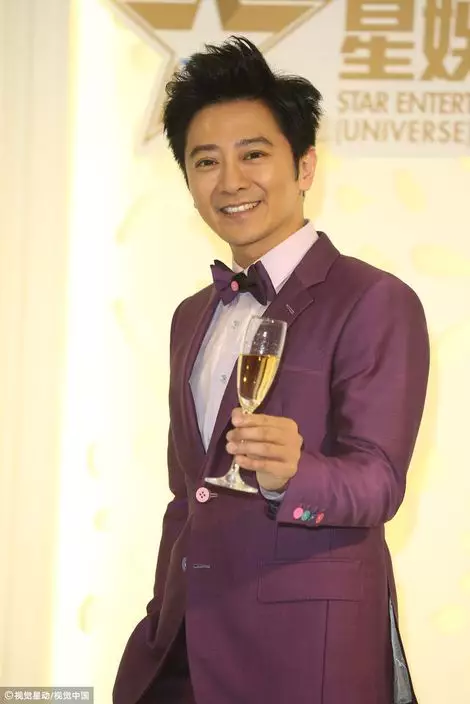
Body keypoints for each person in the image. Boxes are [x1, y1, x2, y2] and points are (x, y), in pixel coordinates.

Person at [113, 36, 429, 704]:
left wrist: (294, 475)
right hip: (181, 651)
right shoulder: (190, 315)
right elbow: (186, 493)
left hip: (304, 657)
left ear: (305, 165)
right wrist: (161, 615)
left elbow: (380, 481)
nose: (231, 180)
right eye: (206, 161)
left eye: (253, 154)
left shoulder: (374, 299)